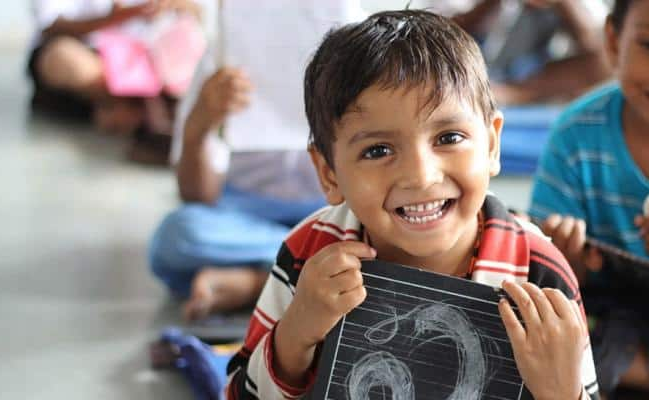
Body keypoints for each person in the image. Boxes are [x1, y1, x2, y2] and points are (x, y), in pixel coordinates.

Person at [225, 10, 599, 400]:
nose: (421, 176)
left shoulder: (538, 274)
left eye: (449, 137)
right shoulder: (310, 254)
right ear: (328, 173)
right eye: (379, 150)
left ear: (491, 144)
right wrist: (296, 334)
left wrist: (560, 392)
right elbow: (238, 394)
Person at [528, 0, 649, 396]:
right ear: (613, 41)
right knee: (553, 337)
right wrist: (567, 264)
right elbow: (539, 265)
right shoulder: (577, 133)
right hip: (611, 315)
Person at [148, 47, 328, 319]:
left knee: (388, 234)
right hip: (243, 212)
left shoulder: (353, 51)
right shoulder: (221, 58)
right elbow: (197, 195)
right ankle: (310, 267)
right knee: (178, 234)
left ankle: (257, 282)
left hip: (329, 208)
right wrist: (198, 128)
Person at [28, 0, 201, 138]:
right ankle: (141, 109)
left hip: (144, 59)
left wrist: (176, 5)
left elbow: (197, 13)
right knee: (64, 58)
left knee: (190, 45)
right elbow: (51, 25)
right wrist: (116, 17)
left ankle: (127, 111)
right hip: (90, 54)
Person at [431, 0, 611, 105]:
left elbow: (598, 51)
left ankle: (510, 94)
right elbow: (437, 33)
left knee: (604, 62)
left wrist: (562, 4)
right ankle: (488, 89)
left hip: (530, 79)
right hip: (468, 69)